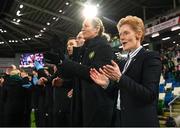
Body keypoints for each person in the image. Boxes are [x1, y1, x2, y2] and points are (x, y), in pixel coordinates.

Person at [90, 15, 162, 127]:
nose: (121, 37)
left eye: (126, 33)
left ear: (138, 34)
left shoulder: (151, 57)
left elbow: (149, 95)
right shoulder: (123, 62)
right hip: (120, 119)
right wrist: (107, 84)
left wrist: (120, 78)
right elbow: (120, 92)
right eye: (120, 34)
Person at [56, 17, 114, 126]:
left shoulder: (104, 47)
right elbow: (77, 74)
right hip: (84, 104)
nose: (82, 28)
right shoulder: (87, 49)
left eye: (86, 26)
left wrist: (65, 62)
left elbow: (93, 73)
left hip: (97, 106)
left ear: (97, 29)